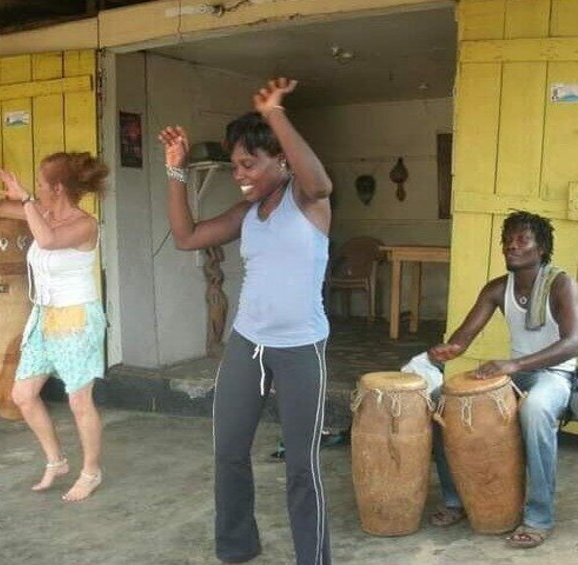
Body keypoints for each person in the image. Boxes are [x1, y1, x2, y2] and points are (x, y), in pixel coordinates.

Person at [159, 77, 332, 565]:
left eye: (248, 163)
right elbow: (186, 237)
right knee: (229, 453)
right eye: (235, 165)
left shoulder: (310, 202)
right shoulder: (247, 212)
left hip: (301, 348)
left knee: (302, 467)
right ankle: (236, 547)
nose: (240, 174)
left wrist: (275, 113)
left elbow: (319, 179)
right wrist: (176, 173)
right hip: (247, 346)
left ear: (281, 159)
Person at [427, 211, 578, 548]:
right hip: (518, 372)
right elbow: (463, 337)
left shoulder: (561, 283)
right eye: (507, 241)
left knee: (537, 410)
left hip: (555, 374)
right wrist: (448, 350)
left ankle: (539, 517)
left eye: (521, 240)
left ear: (541, 248)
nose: (511, 247)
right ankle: (456, 500)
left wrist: (515, 365)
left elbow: (573, 343)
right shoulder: (498, 288)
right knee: (443, 402)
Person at [0, 152, 108, 503]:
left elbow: (46, 240)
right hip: (45, 316)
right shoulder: (41, 213)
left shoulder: (85, 224)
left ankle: (91, 472)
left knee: (79, 401)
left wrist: (27, 200)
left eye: (42, 184)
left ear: (58, 188)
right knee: (23, 396)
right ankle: (56, 461)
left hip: (77, 318)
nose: (37, 189)